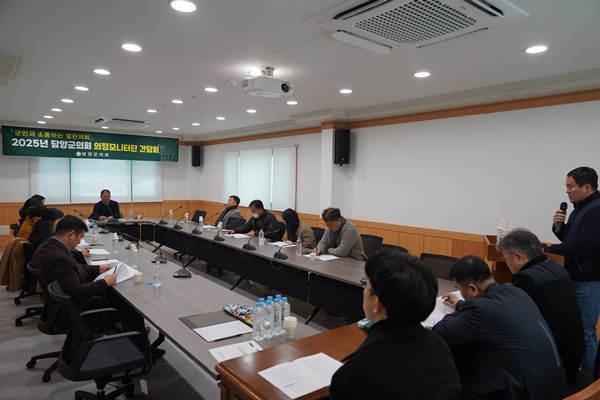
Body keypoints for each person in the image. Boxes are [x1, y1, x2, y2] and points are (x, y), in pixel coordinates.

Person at [329, 250, 461, 399]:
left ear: (377, 303)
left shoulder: (355, 373)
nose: (364, 289)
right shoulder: (439, 344)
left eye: (366, 284)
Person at [432, 255, 569, 400]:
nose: (461, 295)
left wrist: (457, 312)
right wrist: (461, 305)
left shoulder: (480, 310)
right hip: (551, 385)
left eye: (459, 289)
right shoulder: (516, 291)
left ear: (473, 289)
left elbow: (441, 331)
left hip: (523, 392)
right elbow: (491, 311)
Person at [497, 228, 585, 382]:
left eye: (505, 258)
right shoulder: (556, 268)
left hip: (554, 366)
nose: (506, 263)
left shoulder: (526, 280)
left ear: (518, 257)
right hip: (574, 357)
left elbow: (511, 322)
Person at [32, 216, 145, 334]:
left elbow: (74, 267)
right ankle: (138, 339)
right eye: (80, 237)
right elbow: (75, 292)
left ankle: (132, 331)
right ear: (71, 234)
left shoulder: (48, 247)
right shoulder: (59, 257)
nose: (79, 242)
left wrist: (98, 269)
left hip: (63, 305)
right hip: (76, 309)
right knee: (129, 305)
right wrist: (104, 282)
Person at [545, 166, 600, 375]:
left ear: (587, 187)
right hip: (576, 278)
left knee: (585, 334)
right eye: (566, 187)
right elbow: (571, 241)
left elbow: (582, 245)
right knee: (580, 333)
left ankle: (593, 383)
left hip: (589, 282)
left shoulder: (596, 210)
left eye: (571, 187)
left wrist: (544, 252)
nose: (567, 191)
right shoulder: (580, 208)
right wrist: (558, 227)